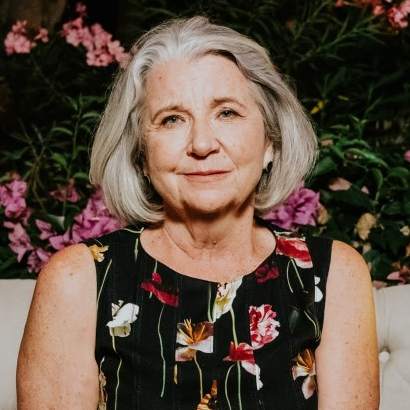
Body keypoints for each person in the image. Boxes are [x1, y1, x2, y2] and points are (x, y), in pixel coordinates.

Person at [17, 16, 379, 410]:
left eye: (226, 112)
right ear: (141, 155)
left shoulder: (334, 273)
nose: (202, 144)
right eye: (172, 119)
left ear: (270, 141)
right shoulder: (77, 280)